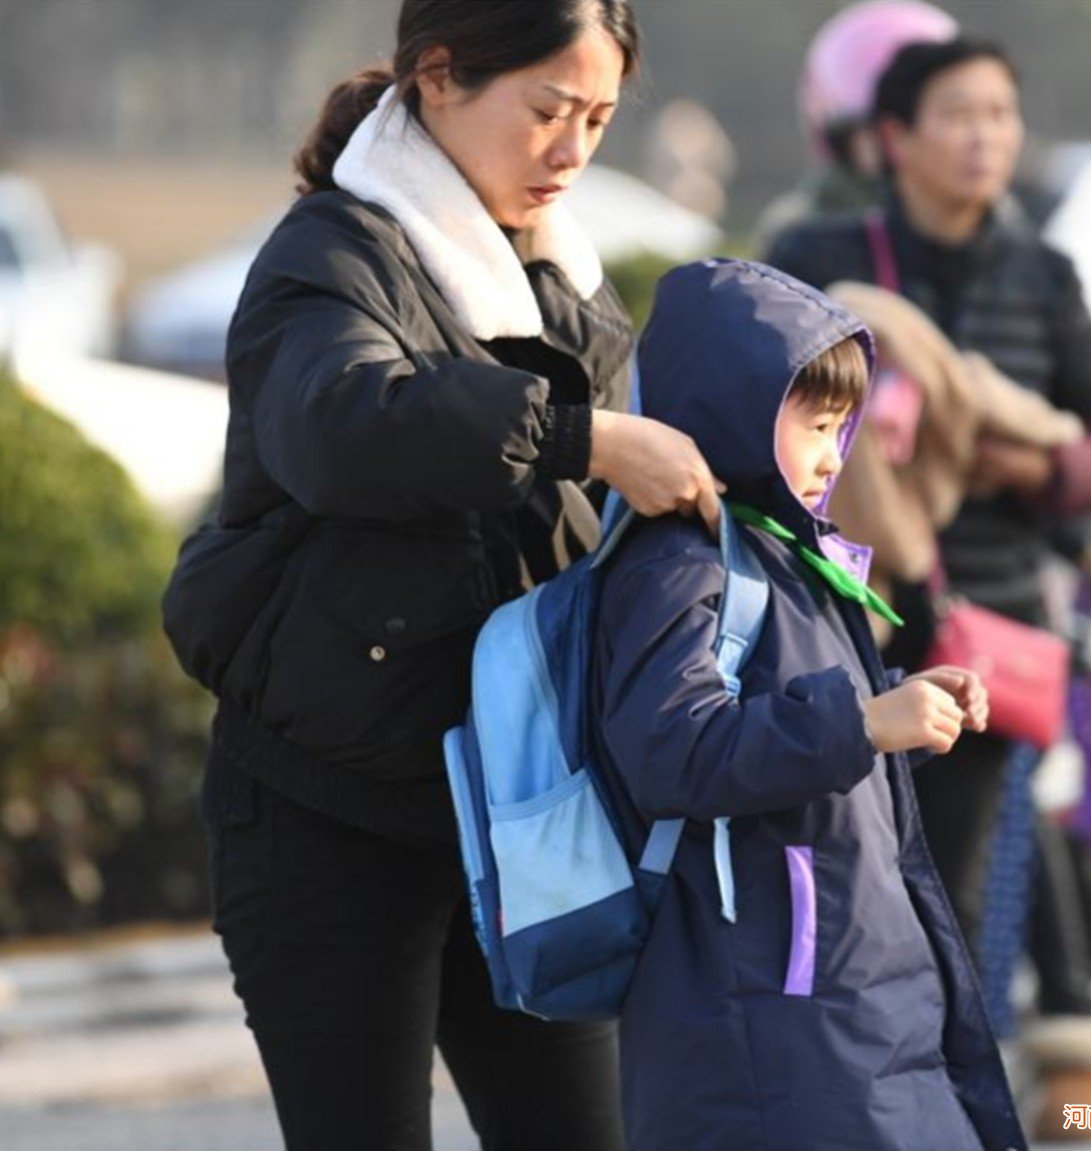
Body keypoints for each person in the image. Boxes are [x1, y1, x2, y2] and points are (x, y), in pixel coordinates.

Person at [161, 3, 730, 1150]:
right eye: (547, 110)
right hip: (323, 815)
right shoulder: (329, 255)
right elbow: (344, 424)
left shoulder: (566, 282)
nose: (572, 151)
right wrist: (584, 437)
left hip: (524, 817)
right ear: (437, 77)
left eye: (600, 118)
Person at [764, 36, 1091, 1130]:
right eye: (957, 114)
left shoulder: (1043, 272)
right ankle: (922, 1099)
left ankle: (1077, 1112)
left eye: (1000, 113)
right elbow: (763, 405)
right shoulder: (821, 254)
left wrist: (1032, 463)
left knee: (1044, 881)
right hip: (865, 626)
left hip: (1014, 638)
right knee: (901, 884)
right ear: (891, 138)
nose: (985, 135)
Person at [592, 258, 1027, 1151]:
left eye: (845, 424)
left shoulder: (780, 550)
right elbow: (671, 748)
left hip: (842, 987)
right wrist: (864, 721)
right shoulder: (680, 560)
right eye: (819, 422)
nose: (839, 452)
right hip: (774, 1005)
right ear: (729, 409)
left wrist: (896, 703)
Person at [757, 0, 958, 245]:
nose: (900, 145)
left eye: (914, 127)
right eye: (881, 132)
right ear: (843, 140)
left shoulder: (1002, 227)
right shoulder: (799, 234)